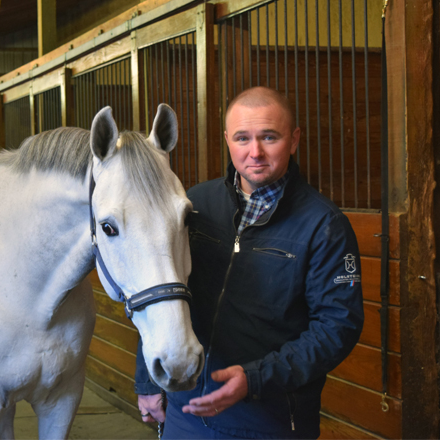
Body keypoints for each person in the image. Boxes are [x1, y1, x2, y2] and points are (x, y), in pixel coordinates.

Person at [135, 86, 364, 439]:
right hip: (184, 414)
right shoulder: (194, 203)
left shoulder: (324, 225)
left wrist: (255, 379)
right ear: (227, 139)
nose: (254, 152)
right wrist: (148, 377)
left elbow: (337, 327)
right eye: (242, 138)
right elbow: (161, 288)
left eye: (269, 137)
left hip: (267, 421)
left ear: (294, 139)